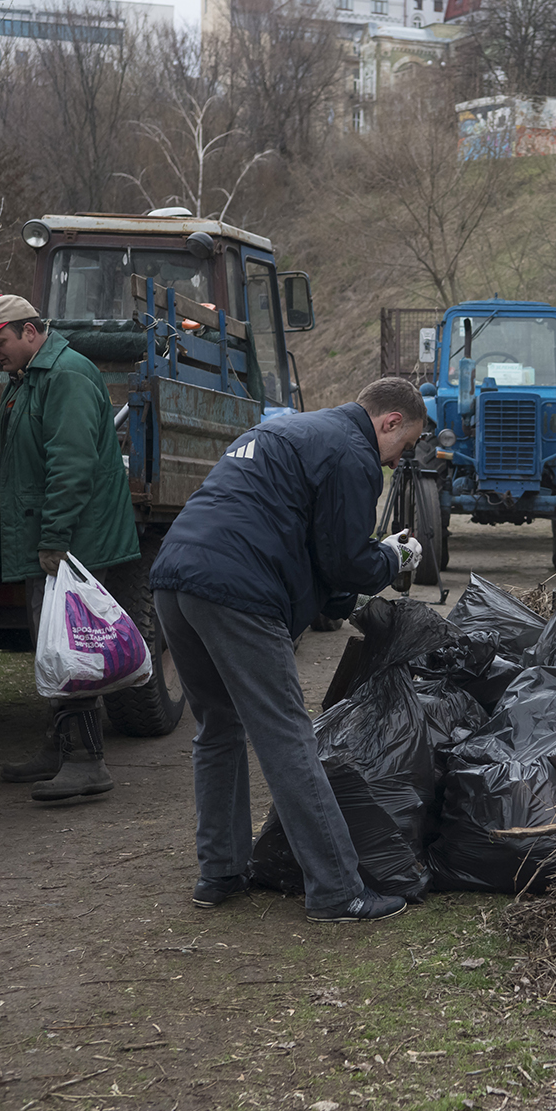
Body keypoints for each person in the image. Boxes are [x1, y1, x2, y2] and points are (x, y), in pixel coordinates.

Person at [150, 378, 426, 922]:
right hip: (236, 592)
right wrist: (394, 558)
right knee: (287, 738)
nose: (398, 461)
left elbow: (315, 548)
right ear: (390, 422)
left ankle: (221, 872)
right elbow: (345, 560)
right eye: (405, 445)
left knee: (218, 727)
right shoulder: (352, 452)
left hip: (173, 581)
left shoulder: (290, 429)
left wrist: (350, 587)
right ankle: (336, 890)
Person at [0, 294, 141, 801]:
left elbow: (71, 466)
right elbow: (25, 456)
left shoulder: (64, 376)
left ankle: (88, 763)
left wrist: (55, 541)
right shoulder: (31, 379)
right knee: (53, 647)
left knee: (73, 649)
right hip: (52, 538)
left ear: (28, 331)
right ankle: (58, 749)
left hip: (71, 542)